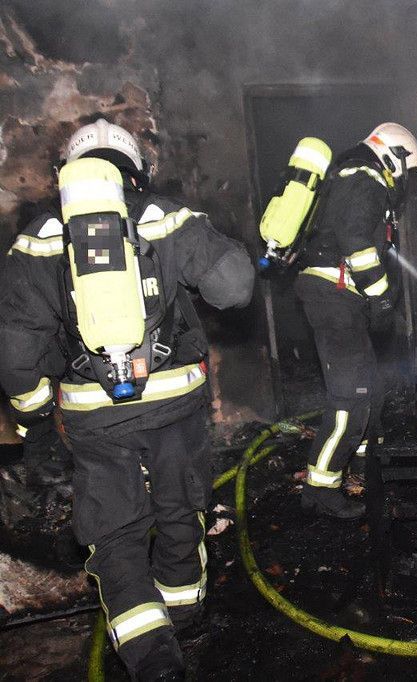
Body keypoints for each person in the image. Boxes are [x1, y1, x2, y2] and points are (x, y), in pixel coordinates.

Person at [0, 118, 254, 680]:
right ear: (135, 173)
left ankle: (152, 656)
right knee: (181, 506)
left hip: (94, 417)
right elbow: (234, 286)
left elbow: (15, 346)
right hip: (175, 404)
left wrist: (33, 412)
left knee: (114, 532)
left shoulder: (38, 238)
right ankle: (184, 612)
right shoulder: (164, 216)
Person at [295, 122, 417, 519]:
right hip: (333, 295)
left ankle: (365, 467)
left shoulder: (356, 178)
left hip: (341, 296)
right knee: (350, 397)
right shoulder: (363, 177)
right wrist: (380, 296)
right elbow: (356, 243)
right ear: (395, 156)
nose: (405, 183)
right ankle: (320, 488)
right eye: (408, 172)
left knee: (370, 387)